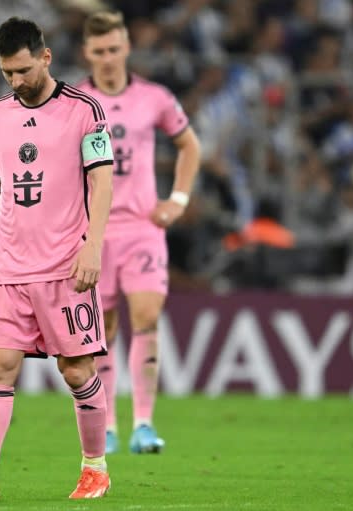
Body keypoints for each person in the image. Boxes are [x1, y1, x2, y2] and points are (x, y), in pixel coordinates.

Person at [0, 17, 114, 500]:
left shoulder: (85, 109)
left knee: (77, 371)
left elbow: (102, 182)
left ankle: (95, 467)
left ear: (45, 57)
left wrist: (93, 246)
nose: (15, 81)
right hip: (8, 264)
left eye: (22, 70)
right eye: (6, 73)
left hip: (64, 265)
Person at [76, 11, 201, 454]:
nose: (107, 58)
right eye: (99, 51)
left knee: (147, 317)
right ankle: (108, 428)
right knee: (103, 331)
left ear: (127, 48)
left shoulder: (155, 97)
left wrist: (178, 200)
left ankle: (144, 424)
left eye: (114, 49)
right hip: (94, 234)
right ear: (86, 53)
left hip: (144, 228)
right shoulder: (73, 102)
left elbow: (190, 145)